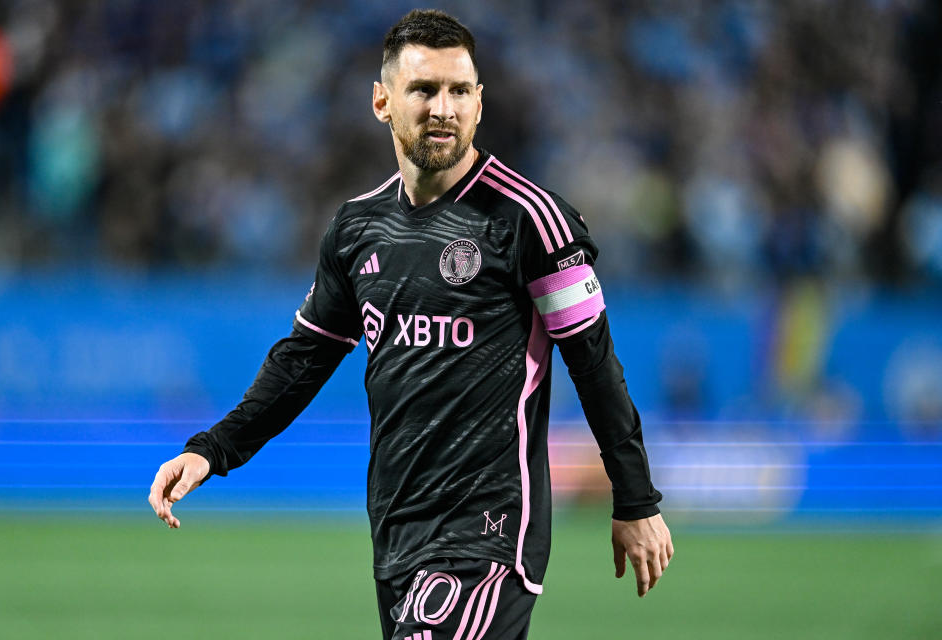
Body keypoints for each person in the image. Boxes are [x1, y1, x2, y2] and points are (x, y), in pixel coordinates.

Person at [149, 9, 673, 639]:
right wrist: (212, 448)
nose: (443, 108)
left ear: (480, 103)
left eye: (459, 91)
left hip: (489, 530)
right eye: (424, 90)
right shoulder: (357, 229)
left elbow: (594, 363)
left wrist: (635, 499)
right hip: (397, 530)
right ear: (382, 101)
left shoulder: (532, 221)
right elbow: (303, 360)